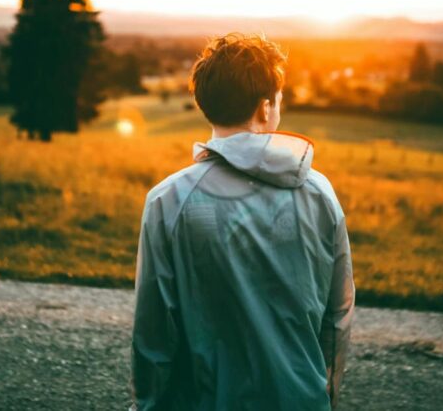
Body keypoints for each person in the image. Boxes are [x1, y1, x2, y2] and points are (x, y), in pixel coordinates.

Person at [131, 32, 355, 410]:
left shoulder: (168, 202)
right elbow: (337, 319)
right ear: (266, 108)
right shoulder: (320, 195)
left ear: (206, 103)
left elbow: (154, 334)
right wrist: (324, 399)